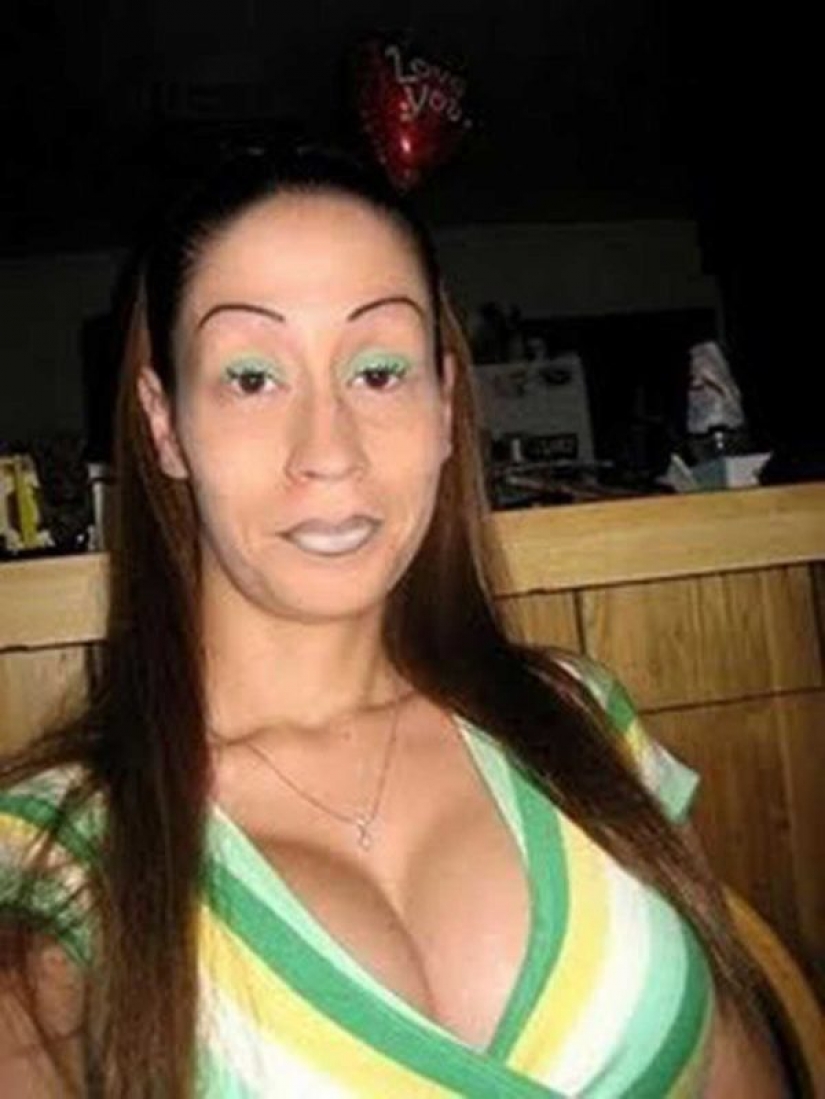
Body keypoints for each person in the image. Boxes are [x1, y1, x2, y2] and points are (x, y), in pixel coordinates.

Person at [0, 146, 788, 1097]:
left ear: (445, 403)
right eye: (251, 378)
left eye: (377, 372)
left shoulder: (581, 720)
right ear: (164, 423)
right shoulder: (54, 862)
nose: (328, 451)